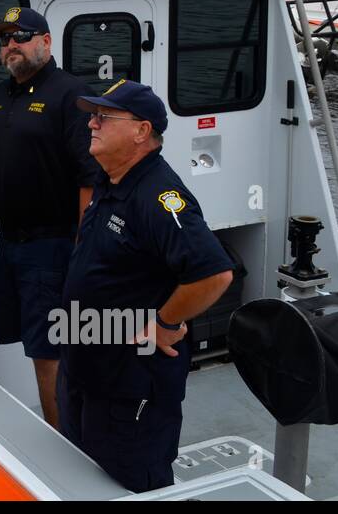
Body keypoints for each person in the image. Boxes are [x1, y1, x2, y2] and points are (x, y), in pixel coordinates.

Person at [59, 79, 234, 493]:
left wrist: (164, 321)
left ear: (141, 131)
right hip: (88, 366)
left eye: (104, 117)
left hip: (130, 380)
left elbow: (214, 273)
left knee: (134, 479)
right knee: (82, 471)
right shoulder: (111, 181)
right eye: (92, 116)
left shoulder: (159, 196)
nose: (92, 125)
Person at [0, 6, 97, 429]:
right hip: (12, 245)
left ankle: (66, 449)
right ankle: (65, 431)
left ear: (45, 41)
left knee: (50, 353)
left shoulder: (71, 95)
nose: (11, 46)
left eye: (21, 36)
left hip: (55, 245)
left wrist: (83, 249)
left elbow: (90, 178)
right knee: (36, 345)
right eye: (4, 39)